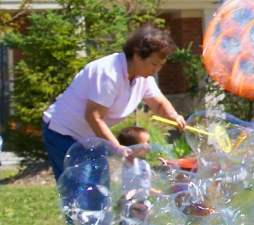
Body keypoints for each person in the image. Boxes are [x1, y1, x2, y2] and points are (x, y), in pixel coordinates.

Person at [42, 26, 185, 180]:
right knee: (81, 192)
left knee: (100, 192)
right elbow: (93, 116)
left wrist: (173, 115)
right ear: (137, 55)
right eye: (154, 63)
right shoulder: (109, 73)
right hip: (64, 131)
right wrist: (117, 148)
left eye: (161, 65)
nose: (156, 69)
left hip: (92, 137)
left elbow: (158, 103)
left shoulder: (143, 77)